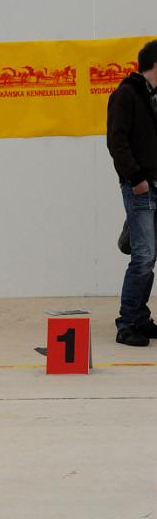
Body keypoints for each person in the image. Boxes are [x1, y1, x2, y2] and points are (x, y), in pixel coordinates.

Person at [107, 39, 157, 346]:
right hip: (140, 188)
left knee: (150, 256)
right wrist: (136, 178)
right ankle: (127, 323)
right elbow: (117, 141)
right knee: (143, 255)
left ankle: (140, 318)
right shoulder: (126, 94)